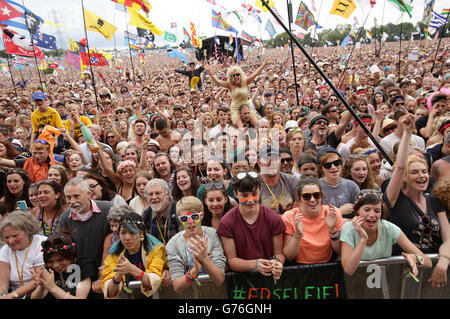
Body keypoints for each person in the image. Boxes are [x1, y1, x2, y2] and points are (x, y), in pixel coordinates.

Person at [383, 110, 450, 287]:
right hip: (404, 271)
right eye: (414, 172)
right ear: (404, 177)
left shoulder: (434, 200)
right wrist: (407, 132)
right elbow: (399, 167)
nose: (421, 176)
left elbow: (448, 238)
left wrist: (442, 263)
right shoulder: (395, 199)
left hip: (436, 272)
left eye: (424, 171)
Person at [340, 190, 433, 277]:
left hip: (384, 283)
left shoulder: (389, 228)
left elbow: (428, 262)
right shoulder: (349, 229)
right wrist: (363, 239)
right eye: (367, 210)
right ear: (357, 211)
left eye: (377, 211)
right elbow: (348, 269)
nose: (372, 215)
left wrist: (415, 258)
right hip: (354, 284)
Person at [216, 172, 285, 281]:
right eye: (244, 195)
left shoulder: (273, 218)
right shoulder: (227, 222)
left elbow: (278, 253)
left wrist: (276, 263)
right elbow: (232, 260)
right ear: (236, 194)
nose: (250, 199)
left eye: (254, 194)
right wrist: (255, 264)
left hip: (269, 277)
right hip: (242, 280)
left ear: (260, 191)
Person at [58, 177, 112, 297]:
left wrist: (102, 275)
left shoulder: (108, 209)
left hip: (105, 271)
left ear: (88, 194)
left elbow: (111, 244)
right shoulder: (65, 217)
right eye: (68, 197)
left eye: (76, 196)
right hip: (78, 274)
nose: (72, 201)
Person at [166, 196, 225, 293]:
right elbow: (177, 286)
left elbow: (220, 279)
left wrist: (204, 259)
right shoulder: (173, 244)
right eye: (184, 218)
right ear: (180, 220)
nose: (190, 221)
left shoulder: (213, 235)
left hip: (215, 293)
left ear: (202, 215)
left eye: (194, 217)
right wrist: (195, 270)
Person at [101, 211, 166, 299]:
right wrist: (117, 278)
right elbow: (109, 292)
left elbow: (154, 280)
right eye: (123, 233)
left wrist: (131, 269)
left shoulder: (156, 251)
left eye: (132, 232)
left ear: (141, 234)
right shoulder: (114, 256)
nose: (127, 238)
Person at [282, 175, 343, 264]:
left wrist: (333, 230)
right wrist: (298, 235)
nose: (312, 199)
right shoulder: (289, 216)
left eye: (316, 195)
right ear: (299, 199)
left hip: (327, 266)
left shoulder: (333, 213)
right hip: (299, 268)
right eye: (306, 196)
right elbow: (289, 257)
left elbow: (341, 252)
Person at [202, 59, 271, 128]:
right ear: (230, 77)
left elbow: (255, 74)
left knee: (256, 124)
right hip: (235, 109)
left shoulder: (245, 81)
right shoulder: (229, 84)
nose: (235, 76)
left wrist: (264, 64)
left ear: (240, 74)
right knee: (241, 128)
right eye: (233, 75)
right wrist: (209, 71)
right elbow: (217, 80)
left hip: (245, 107)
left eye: (237, 74)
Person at [0, 211, 47, 299]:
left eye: (15, 236)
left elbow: (37, 281)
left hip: (38, 293)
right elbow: (3, 284)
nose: (10, 241)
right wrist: (2, 295)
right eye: (6, 237)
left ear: (28, 231)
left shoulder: (41, 243)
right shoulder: (5, 249)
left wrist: (12, 295)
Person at [30, 233, 91, 299]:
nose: (56, 265)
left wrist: (53, 287)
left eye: (60, 260)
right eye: (51, 262)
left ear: (71, 256)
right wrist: (42, 285)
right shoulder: (49, 270)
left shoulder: (83, 266)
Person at [317, 146, 360, 218]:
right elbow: (315, 216)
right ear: (321, 168)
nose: (333, 167)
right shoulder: (316, 187)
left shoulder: (351, 186)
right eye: (328, 165)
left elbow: (360, 211)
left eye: (336, 163)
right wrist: (339, 211)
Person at [258, 145, 299, 214]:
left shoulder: (292, 180)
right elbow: (257, 214)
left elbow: (297, 209)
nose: (272, 163)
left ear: (280, 161)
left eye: (275, 159)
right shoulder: (253, 183)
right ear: (259, 163)